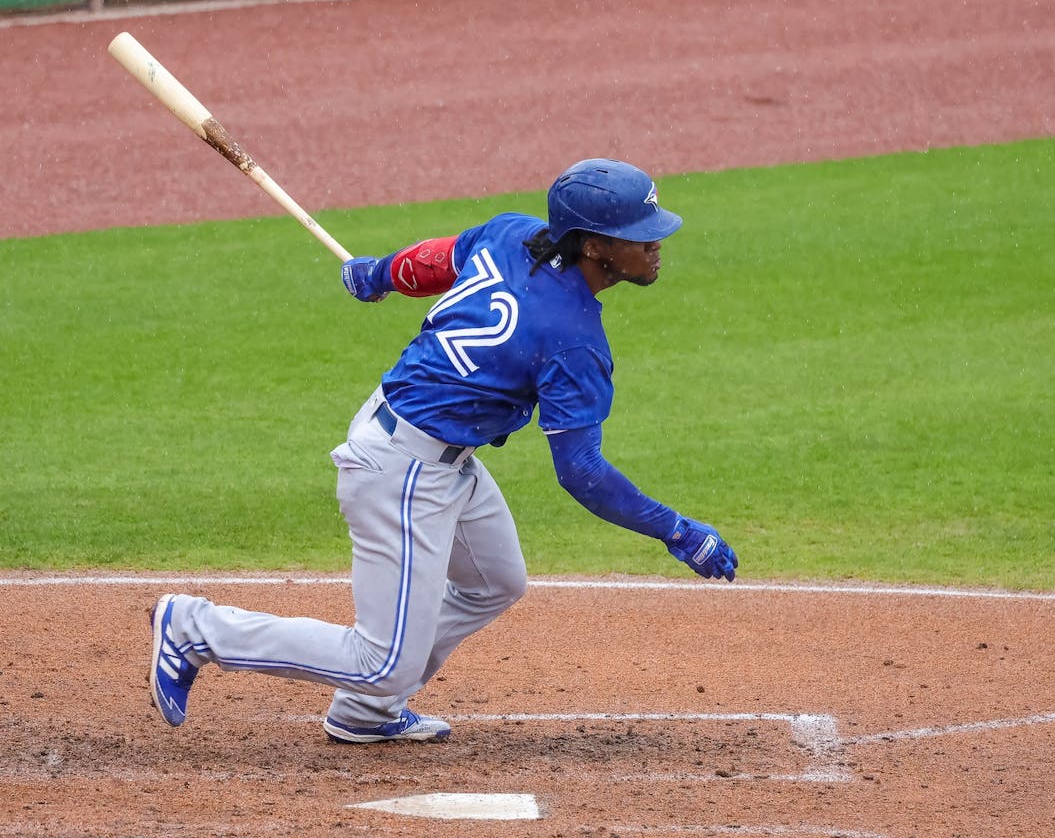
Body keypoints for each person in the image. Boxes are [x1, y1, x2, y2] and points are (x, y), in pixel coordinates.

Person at [149, 158, 738, 743]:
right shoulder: (573, 341)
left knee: (495, 581)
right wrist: (677, 530)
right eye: (639, 236)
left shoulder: (512, 233)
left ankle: (365, 713)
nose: (656, 244)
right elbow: (580, 472)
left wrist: (377, 275)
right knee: (380, 663)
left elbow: (438, 259)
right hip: (401, 471)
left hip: (429, 445)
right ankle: (196, 629)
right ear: (593, 246)